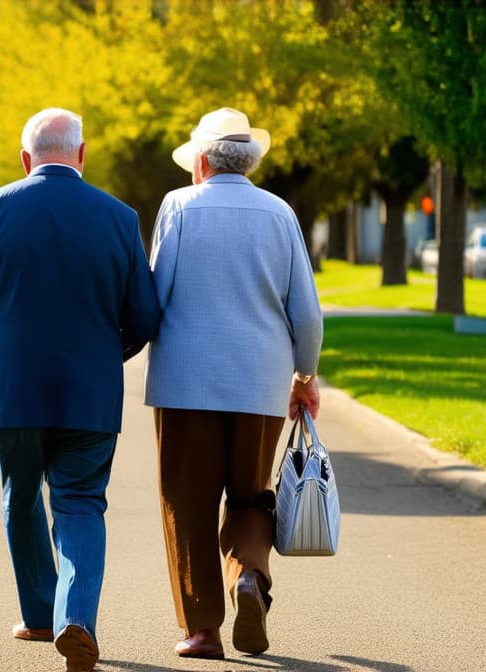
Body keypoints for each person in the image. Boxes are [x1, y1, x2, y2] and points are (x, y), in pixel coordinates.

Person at [0, 107, 160, 672]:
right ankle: (75, 618)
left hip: (11, 391)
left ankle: (40, 615)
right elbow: (144, 315)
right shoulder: (118, 217)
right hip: (90, 394)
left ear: (25, 159)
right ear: (82, 155)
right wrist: (101, 358)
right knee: (82, 503)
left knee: (21, 496)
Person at [145, 107, 323, 659]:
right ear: (248, 160)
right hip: (259, 383)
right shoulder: (279, 213)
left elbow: (156, 297)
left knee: (188, 500)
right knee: (251, 497)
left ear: (200, 160)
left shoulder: (179, 206)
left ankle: (202, 630)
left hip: (185, 383)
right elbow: (308, 315)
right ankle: (248, 577)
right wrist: (305, 375)